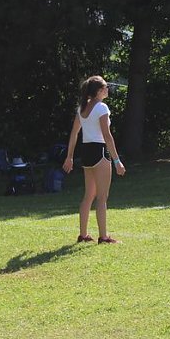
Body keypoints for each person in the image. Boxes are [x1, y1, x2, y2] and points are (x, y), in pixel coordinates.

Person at [62, 75, 126, 244]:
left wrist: (69, 157)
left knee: (88, 195)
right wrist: (117, 160)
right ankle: (103, 237)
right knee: (102, 197)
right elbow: (107, 135)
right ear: (98, 91)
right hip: (99, 151)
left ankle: (83, 235)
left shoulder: (82, 108)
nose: (107, 89)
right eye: (105, 87)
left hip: (86, 152)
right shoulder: (101, 107)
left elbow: (74, 133)